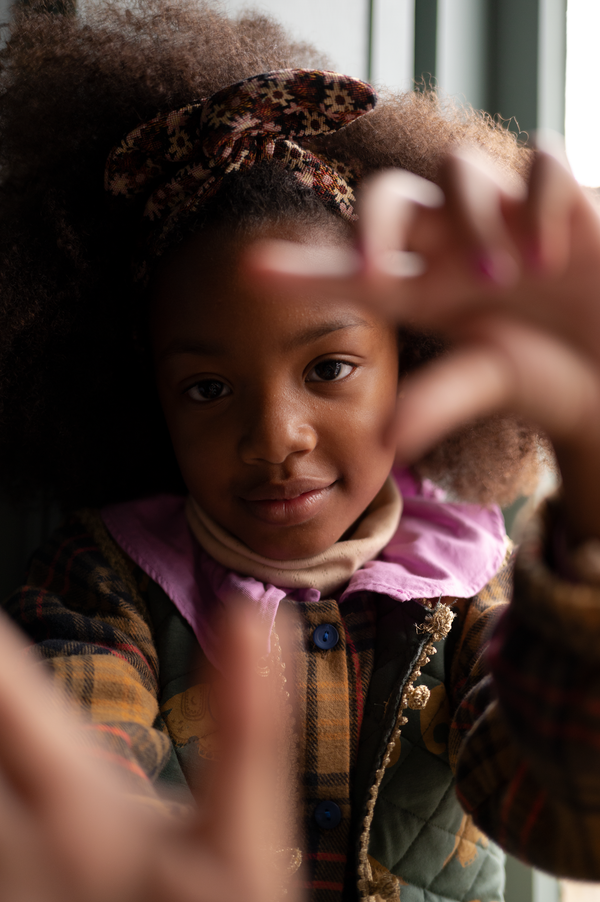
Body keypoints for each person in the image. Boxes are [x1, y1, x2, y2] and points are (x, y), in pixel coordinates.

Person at [2, 1, 600, 900]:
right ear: (145, 396)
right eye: (208, 389)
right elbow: (91, 793)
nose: (277, 437)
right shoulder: (100, 581)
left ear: (413, 355)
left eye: (329, 367)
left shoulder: (477, 583)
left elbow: (573, 815)